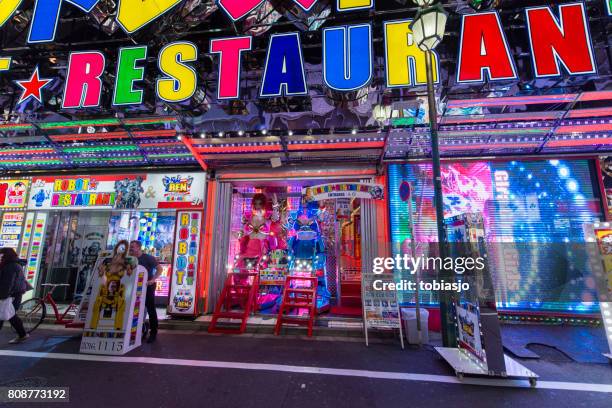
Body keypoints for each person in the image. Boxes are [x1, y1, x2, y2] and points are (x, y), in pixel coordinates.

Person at [129, 240, 160, 343]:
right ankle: (140, 329)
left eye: (132, 247)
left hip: (147, 286)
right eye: (130, 247)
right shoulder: (130, 259)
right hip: (133, 287)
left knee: (151, 309)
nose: (131, 248)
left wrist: (153, 279)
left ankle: (153, 333)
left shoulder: (148, 258)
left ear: (139, 247)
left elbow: (159, 269)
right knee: (134, 309)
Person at [0, 248, 29, 344]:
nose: (1, 257)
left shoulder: (11, 266)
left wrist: (2, 296)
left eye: (2, 255)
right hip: (13, 294)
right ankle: (22, 334)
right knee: (9, 315)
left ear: (6, 256)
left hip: (11, 295)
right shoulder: (12, 264)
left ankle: (23, 334)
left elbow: (7, 283)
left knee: (9, 315)